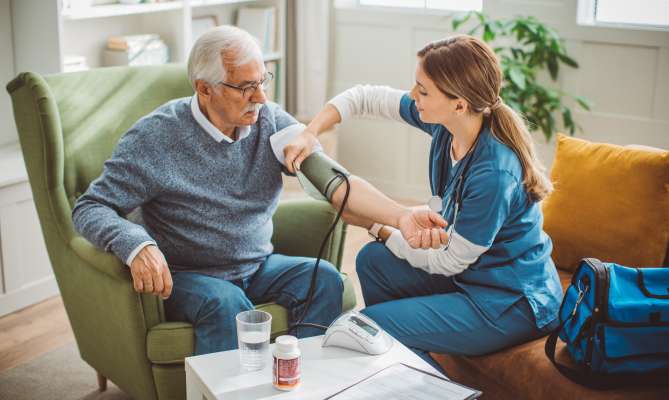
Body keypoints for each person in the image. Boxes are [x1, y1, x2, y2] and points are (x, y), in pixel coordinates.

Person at [72, 25, 445, 355]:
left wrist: (400, 216)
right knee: (225, 302)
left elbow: (336, 184)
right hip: (187, 274)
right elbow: (90, 207)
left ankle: (306, 384)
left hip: (256, 264)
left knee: (325, 280)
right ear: (205, 89)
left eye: (262, 81)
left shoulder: (270, 121)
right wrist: (136, 244)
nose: (261, 98)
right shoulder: (155, 138)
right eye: (245, 87)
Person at [284, 35, 563, 371]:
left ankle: (424, 382)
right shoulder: (452, 125)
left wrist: (379, 225)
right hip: (476, 276)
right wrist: (309, 132)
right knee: (373, 259)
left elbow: (449, 262)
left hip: (509, 302)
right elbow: (362, 98)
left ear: (459, 103)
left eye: (423, 91)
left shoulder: (494, 173)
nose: (413, 96)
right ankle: (405, 366)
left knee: (371, 326)